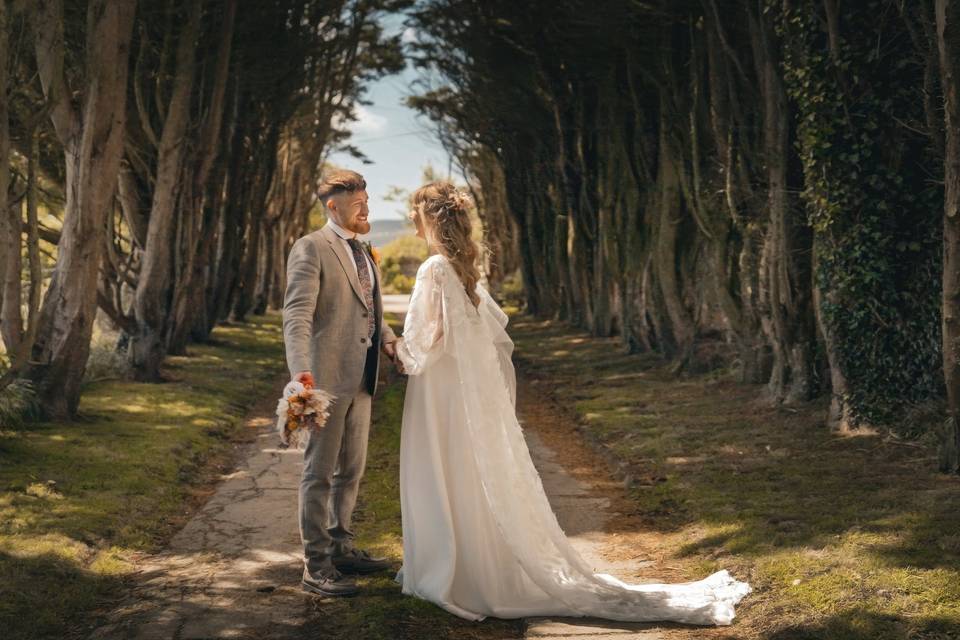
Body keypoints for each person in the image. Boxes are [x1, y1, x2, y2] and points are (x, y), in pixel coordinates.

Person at [394, 181, 751, 625]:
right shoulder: (460, 268)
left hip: (441, 389)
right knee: (466, 471)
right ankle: (475, 566)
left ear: (430, 218)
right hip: (459, 387)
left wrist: (395, 348)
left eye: (414, 210)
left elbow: (425, 342)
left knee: (445, 468)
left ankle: (452, 570)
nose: (411, 218)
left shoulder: (433, 268)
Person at [282, 169, 397, 597]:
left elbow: (370, 308)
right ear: (334, 206)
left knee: (352, 470)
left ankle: (342, 546)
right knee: (318, 474)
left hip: (363, 378)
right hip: (325, 380)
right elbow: (296, 314)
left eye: (367, 200)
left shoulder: (364, 249)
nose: (366, 208)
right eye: (358, 203)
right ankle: (316, 566)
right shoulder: (311, 248)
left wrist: (388, 339)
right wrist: (300, 372)